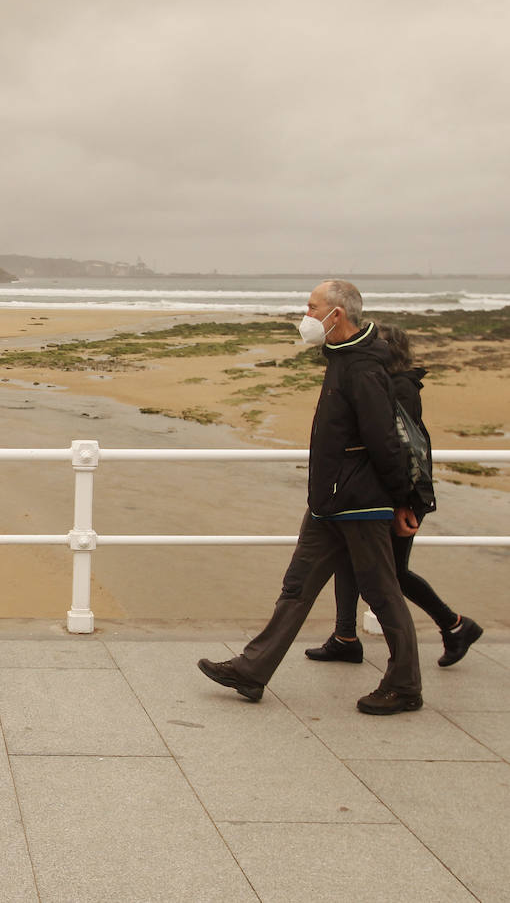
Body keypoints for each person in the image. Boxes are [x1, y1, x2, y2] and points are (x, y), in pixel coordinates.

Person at [198, 280, 424, 715]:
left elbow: (384, 442)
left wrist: (403, 501)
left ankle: (405, 684)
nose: (305, 314)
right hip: (329, 501)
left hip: (358, 501)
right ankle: (251, 670)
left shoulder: (362, 367)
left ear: (335, 314)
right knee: (298, 587)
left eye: (311, 306)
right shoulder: (343, 358)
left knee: (382, 593)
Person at [304, 323, 482, 667]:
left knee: (392, 573)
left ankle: (455, 625)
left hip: (398, 495)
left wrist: (405, 500)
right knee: (351, 560)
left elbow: (398, 447)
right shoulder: (386, 383)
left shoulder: (398, 388)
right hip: (384, 491)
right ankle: (345, 637)